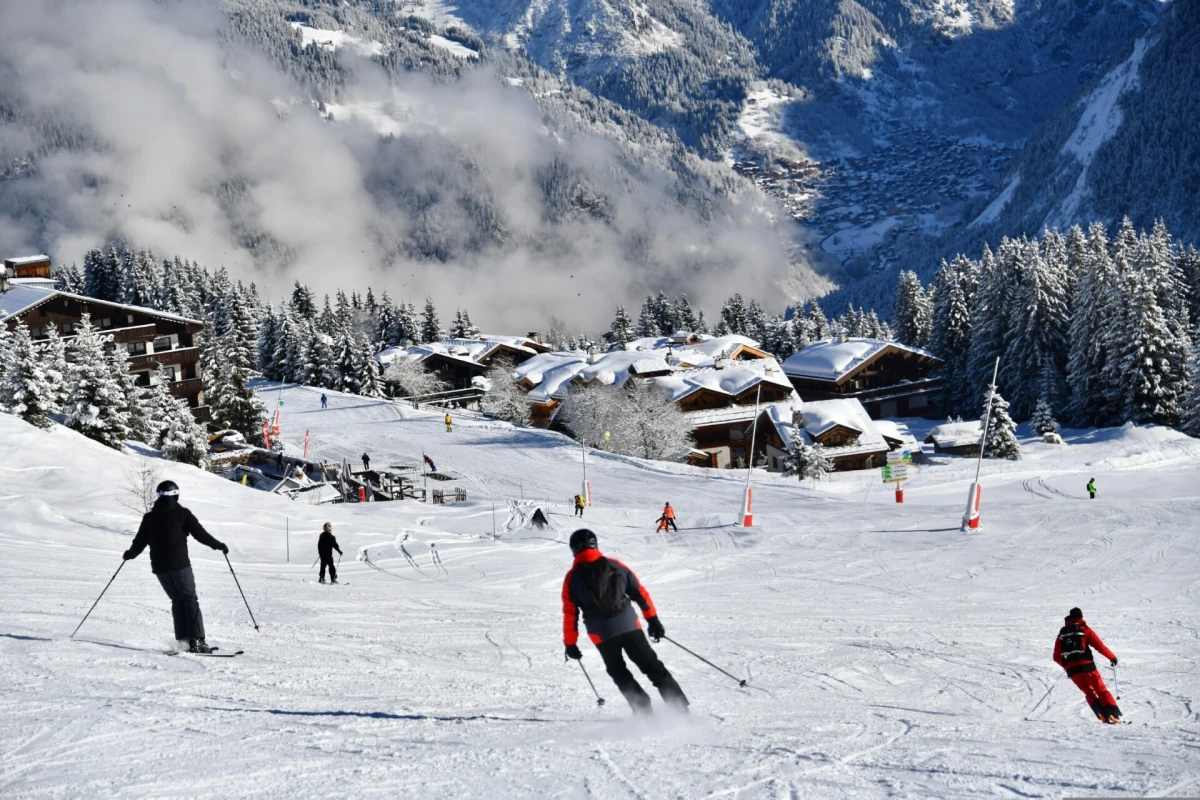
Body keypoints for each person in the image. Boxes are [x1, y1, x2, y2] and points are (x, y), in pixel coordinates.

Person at [562, 529, 688, 714]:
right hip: (629, 626)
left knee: (618, 671)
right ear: (595, 544)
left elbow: (570, 614)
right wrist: (653, 620)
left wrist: (570, 644)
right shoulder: (615, 565)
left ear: (574, 550)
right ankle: (679, 708)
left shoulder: (571, 578)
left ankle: (642, 709)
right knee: (652, 666)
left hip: (601, 634)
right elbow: (640, 593)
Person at [122, 481, 228, 654]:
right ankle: (197, 641)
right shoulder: (182, 514)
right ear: (176, 495)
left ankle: (183, 641)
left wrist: (129, 554)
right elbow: (200, 534)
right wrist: (219, 545)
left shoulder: (149, 517)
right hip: (179, 565)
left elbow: (139, 542)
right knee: (189, 599)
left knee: (177, 600)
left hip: (160, 567)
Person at [1053, 607, 1121, 723]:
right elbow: (1100, 646)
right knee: (1101, 690)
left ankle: (1101, 714)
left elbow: (1056, 657)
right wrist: (1112, 657)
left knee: (1088, 692)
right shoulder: (1085, 630)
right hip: (1088, 667)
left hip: (1072, 671)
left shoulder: (1062, 634)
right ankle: (1112, 714)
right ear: (1080, 617)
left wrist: (1067, 666)